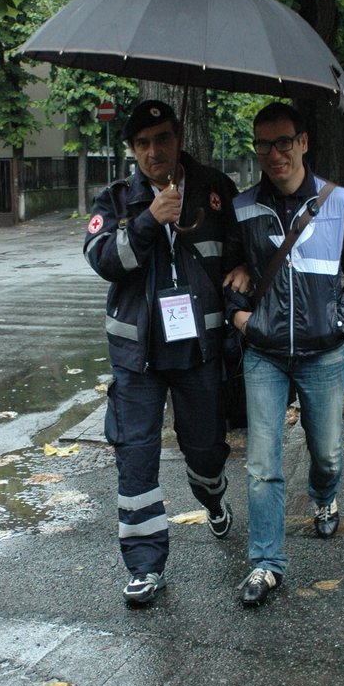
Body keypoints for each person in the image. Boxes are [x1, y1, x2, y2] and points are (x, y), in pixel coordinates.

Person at [84, 100, 248, 607]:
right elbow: (104, 260)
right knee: (136, 457)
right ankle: (145, 566)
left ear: (179, 139)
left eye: (162, 138)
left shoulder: (216, 189)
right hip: (138, 359)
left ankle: (212, 497)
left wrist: (243, 282)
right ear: (132, 151)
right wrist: (150, 220)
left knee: (205, 451)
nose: (154, 151)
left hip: (200, 351)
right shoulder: (115, 200)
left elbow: (242, 256)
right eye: (142, 143)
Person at [226, 102, 344, 607]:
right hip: (264, 353)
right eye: (263, 145)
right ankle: (266, 563)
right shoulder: (244, 207)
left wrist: (341, 320)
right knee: (262, 463)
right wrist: (238, 313)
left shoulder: (341, 202)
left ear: (303, 142)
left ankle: (325, 496)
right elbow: (227, 270)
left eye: (283, 142)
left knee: (327, 451)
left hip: (323, 353)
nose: (274, 154)